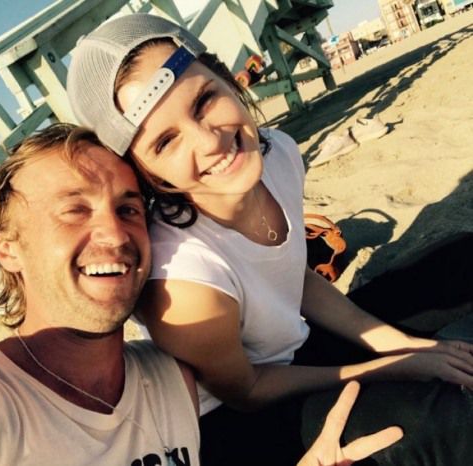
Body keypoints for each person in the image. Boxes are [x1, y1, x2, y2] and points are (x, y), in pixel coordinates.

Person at [66, 13, 473, 466]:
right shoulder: (181, 276)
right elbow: (246, 391)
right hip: (248, 418)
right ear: (145, 171)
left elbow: (294, 279)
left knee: (460, 258)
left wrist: (398, 344)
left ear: (227, 79)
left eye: (203, 101)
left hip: (298, 346)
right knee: (440, 424)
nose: (209, 142)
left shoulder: (277, 152)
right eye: (166, 142)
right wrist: (390, 366)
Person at [0, 123, 401, 466]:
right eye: (74, 210)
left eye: (128, 209)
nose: (115, 233)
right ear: (8, 249)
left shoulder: (172, 380)